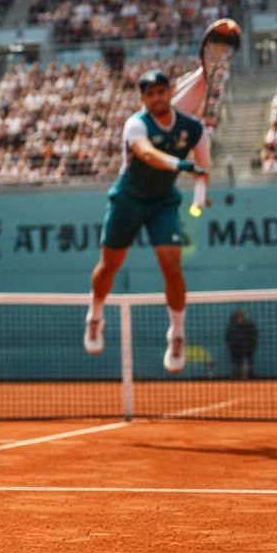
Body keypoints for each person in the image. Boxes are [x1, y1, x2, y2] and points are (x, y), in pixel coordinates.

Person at [84, 69, 209, 373]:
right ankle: (95, 315)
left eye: (161, 92)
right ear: (143, 99)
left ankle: (177, 333)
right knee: (109, 265)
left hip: (163, 203)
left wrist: (200, 196)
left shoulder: (194, 128)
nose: (156, 98)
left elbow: (204, 167)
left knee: (172, 267)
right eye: (150, 94)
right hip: (127, 200)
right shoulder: (135, 125)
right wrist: (181, 164)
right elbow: (147, 154)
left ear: (170, 92)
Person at [225, 309, 259, 380]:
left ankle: (249, 376)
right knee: (237, 364)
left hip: (247, 349)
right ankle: (237, 377)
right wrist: (232, 345)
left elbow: (254, 336)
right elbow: (228, 337)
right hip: (236, 349)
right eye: (238, 316)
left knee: (248, 364)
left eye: (240, 316)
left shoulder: (249, 326)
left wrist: (251, 345)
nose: (239, 318)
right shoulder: (232, 326)